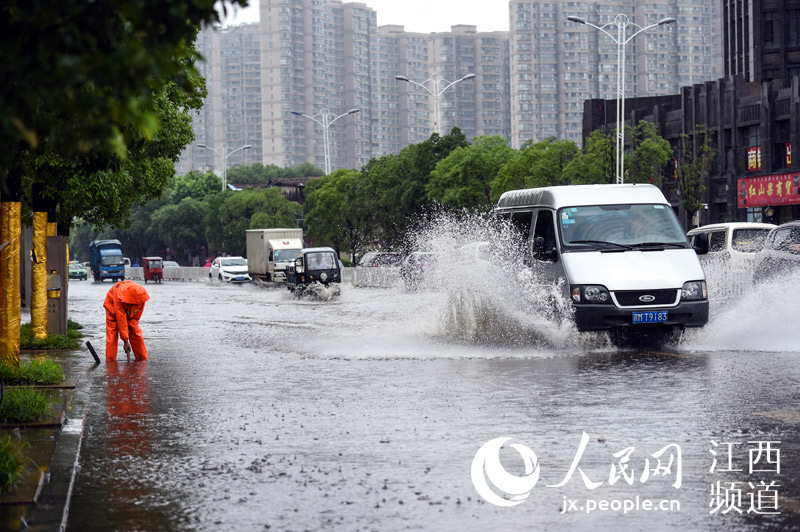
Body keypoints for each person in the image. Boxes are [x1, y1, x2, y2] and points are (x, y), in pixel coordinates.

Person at [104, 280, 150, 362]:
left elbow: (136, 317)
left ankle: (142, 360)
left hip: (127, 304)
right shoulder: (119, 296)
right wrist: (125, 341)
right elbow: (121, 319)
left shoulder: (141, 297)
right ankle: (110, 363)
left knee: (135, 332)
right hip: (112, 307)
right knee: (112, 332)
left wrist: (131, 325)